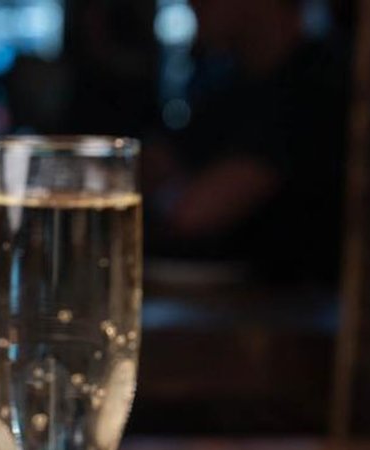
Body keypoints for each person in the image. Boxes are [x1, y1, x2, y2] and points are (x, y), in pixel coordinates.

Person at [145, 0, 349, 281]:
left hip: (289, 313)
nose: (191, 3)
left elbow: (194, 215)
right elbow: (148, 166)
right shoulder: (227, 84)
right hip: (216, 308)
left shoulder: (319, 87)